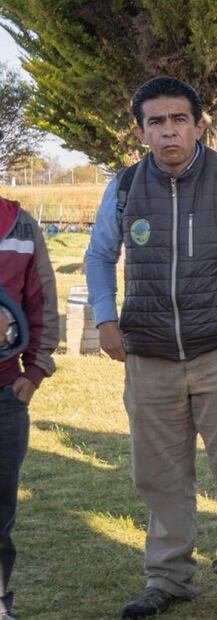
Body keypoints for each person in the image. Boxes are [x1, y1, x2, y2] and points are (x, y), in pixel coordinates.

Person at [84, 77, 217, 617]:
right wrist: (104, 318)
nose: (169, 132)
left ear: (199, 124)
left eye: (179, 120)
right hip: (148, 354)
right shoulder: (121, 188)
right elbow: (98, 256)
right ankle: (168, 578)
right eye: (156, 122)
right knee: (158, 474)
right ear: (141, 131)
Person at [0, 200, 57, 620]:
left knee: (0, 510)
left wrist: (35, 369)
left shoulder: (20, 225)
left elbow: (42, 301)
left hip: (5, 394)